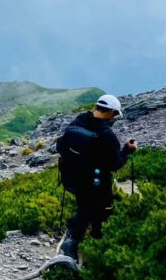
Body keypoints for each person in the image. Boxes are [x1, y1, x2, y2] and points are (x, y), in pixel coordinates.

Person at [56, 94, 137, 260]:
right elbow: (115, 164)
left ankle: (72, 241)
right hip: (96, 184)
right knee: (101, 213)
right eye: (115, 115)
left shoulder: (78, 121)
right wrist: (127, 150)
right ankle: (94, 250)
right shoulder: (107, 135)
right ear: (110, 113)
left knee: (84, 208)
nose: (114, 119)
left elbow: (61, 147)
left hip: (72, 179)